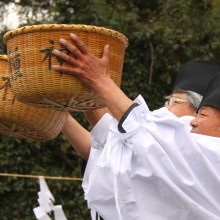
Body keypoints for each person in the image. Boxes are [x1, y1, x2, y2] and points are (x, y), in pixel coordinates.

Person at [52, 34, 220, 219]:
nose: (194, 121)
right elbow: (115, 144)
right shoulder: (177, 154)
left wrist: (99, 80)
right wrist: (75, 97)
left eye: (202, 114)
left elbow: (143, 132)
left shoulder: (210, 153)